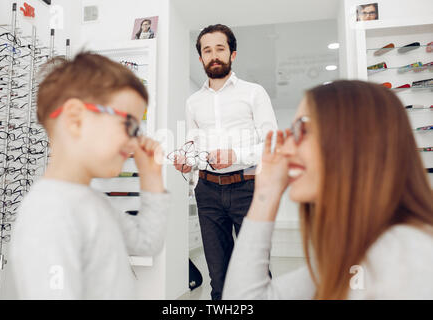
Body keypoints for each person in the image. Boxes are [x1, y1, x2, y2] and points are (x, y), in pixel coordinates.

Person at [223, 80, 433, 299]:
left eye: (302, 128)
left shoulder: (407, 253)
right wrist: (266, 190)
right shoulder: (356, 261)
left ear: (356, 138)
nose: (285, 149)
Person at [9, 52, 169, 299]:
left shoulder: (95, 201)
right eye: (129, 125)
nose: (135, 141)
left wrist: (151, 178)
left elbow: (146, 243)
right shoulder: (49, 213)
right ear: (75, 119)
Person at [173, 24, 278, 300]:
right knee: (218, 280)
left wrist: (236, 156)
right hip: (207, 192)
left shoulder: (254, 93)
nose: (214, 55)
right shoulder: (193, 102)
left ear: (233, 54)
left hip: (249, 189)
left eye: (220, 48)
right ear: (200, 58)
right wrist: (188, 160)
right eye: (207, 50)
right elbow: (193, 143)